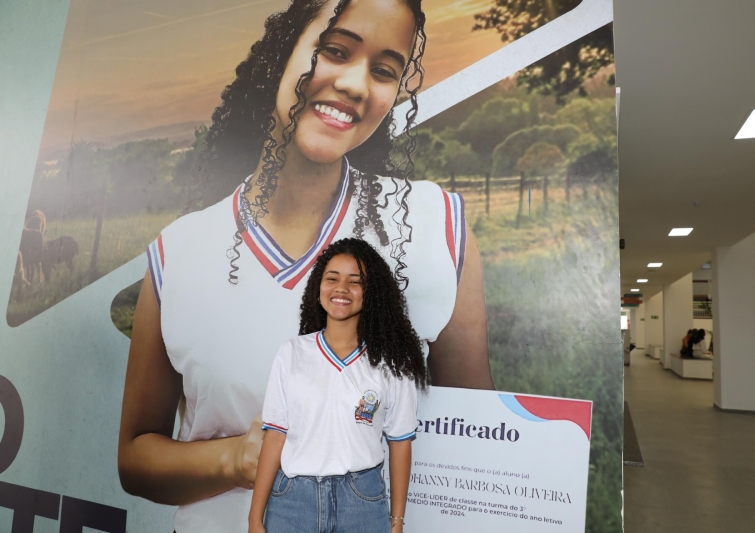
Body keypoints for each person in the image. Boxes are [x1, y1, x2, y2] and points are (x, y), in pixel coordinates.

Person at [118, 1, 493, 531]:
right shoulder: (179, 251)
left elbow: (476, 448)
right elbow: (135, 458)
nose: (357, 85)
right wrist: (238, 458)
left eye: (384, 71)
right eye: (335, 51)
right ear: (280, 52)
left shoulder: (437, 228)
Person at [248, 238, 422, 533]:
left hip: (362, 503)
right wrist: (255, 518)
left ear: (372, 293)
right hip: (292, 502)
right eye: (332, 278)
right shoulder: (292, 352)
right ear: (318, 287)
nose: (341, 288)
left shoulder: (392, 364)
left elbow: (400, 443)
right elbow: (275, 437)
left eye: (355, 282)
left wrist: (397, 520)